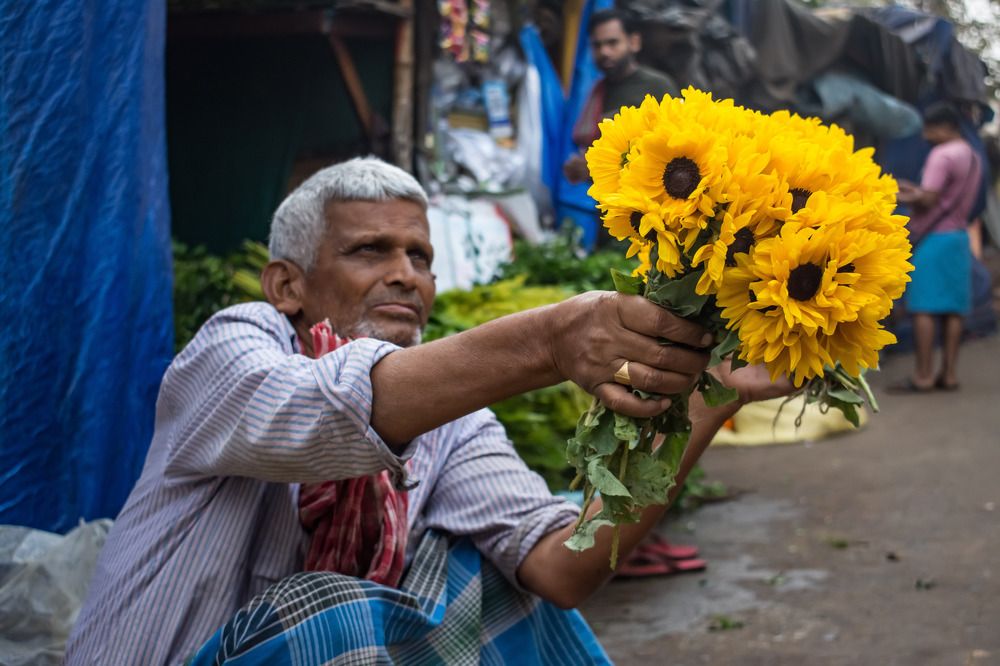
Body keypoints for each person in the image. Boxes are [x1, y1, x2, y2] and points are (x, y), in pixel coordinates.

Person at [65, 157, 788, 665]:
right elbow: (328, 408)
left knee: (479, 571)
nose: (404, 275)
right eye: (369, 250)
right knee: (330, 605)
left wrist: (701, 404)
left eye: (419, 256)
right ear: (288, 284)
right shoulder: (233, 348)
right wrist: (550, 338)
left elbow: (563, 568)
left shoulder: (451, 422)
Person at [895, 102, 982, 392]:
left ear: (945, 127)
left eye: (930, 129)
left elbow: (930, 200)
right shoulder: (971, 155)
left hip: (933, 240)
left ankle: (923, 376)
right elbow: (947, 197)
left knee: (923, 308)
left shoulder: (941, 155)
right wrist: (915, 191)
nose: (926, 135)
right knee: (954, 310)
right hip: (958, 237)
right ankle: (949, 374)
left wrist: (900, 192)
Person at [563, 8, 679, 185]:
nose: (604, 52)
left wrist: (598, 167)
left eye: (612, 43)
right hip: (610, 205)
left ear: (634, 42)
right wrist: (585, 168)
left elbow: (674, 150)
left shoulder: (658, 86)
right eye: (597, 45)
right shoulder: (596, 91)